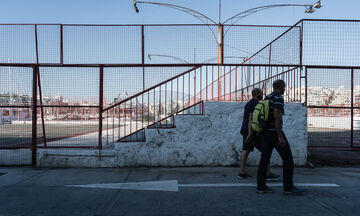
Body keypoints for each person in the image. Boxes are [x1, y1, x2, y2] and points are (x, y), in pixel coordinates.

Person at [256, 80, 305, 195]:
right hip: (274, 133)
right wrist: (280, 136)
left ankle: (261, 186)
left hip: (265, 133)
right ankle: (288, 188)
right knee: (288, 159)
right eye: (284, 87)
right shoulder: (278, 98)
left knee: (264, 160)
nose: (285, 89)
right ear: (280, 87)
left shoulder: (268, 97)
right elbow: (277, 116)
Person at [239, 88, 280, 180]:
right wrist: (250, 134)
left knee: (246, 149)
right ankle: (268, 173)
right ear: (257, 94)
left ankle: (241, 172)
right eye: (261, 93)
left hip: (245, 130)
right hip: (252, 132)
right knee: (265, 150)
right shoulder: (255, 104)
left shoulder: (248, 103)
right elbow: (251, 118)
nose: (262, 94)